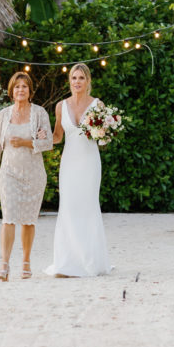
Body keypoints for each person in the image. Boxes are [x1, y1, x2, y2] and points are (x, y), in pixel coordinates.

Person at [0, 70, 52, 281]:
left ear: (30, 91)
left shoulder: (40, 113)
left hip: (34, 173)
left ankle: (26, 262)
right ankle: (4, 265)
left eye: (24, 86)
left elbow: (48, 142)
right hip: (9, 172)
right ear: (11, 91)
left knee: (29, 221)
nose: (21, 90)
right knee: (9, 217)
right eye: (17, 87)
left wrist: (26, 142)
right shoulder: (3, 115)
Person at [45, 62, 111, 277]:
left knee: (88, 207)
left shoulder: (97, 105)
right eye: (74, 78)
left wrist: (104, 134)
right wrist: (37, 139)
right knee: (69, 207)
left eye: (81, 78)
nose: (77, 82)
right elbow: (57, 137)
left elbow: (104, 137)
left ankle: (90, 262)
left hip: (90, 162)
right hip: (69, 162)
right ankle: (67, 262)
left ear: (88, 81)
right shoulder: (60, 106)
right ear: (69, 81)